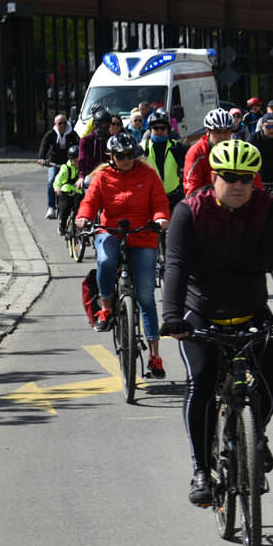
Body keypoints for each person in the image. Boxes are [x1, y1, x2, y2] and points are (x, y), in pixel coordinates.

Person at [159, 139, 273, 506]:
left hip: (250, 311)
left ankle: (255, 434)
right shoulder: (189, 211)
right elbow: (176, 267)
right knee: (202, 383)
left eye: (247, 178)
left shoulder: (267, 209)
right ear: (214, 176)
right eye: (230, 177)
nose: (239, 185)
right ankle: (201, 468)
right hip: (201, 314)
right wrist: (170, 317)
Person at [76, 132, 172, 375]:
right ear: (111, 157)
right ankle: (106, 306)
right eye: (121, 156)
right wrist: (83, 218)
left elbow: (160, 203)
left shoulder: (148, 175)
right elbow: (89, 202)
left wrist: (160, 219)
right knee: (106, 260)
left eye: (130, 155)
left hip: (143, 233)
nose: (127, 159)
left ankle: (155, 357)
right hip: (111, 231)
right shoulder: (102, 177)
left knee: (147, 297)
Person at [182, 107, 251, 197]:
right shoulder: (197, 153)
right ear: (207, 131)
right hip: (206, 203)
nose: (222, 137)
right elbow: (192, 191)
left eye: (226, 132)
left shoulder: (236, 149)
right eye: (218, 132)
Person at [140, 109, 185, 207]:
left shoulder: (176, 147)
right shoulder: (142, 148)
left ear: (168, 130)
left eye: (163, 128)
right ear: (150, 130)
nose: (159, 131)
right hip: (150, 199)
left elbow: (187, 170)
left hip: (174, 198)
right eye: (155, 128)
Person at [37, 113, 79, 219]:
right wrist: (42, 158)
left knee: (75, 182)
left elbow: (79, 146)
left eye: (65, 123)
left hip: (68, 163)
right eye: (60, 123)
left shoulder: (72, 134)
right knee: (52, 181)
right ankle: (51, 207)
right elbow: (44, 145)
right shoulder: (51, 134)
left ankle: (75, 205)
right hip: (54, 162)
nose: (63, 125)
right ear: (55, 124)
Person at [77, 109, 121, 179]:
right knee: (86, 182)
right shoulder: (86, 140)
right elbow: (82, 159)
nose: (104, 127)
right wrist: (81, 176)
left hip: (109, 172)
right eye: (102, 125)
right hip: (91, 173)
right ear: (95, 125)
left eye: (107, 124)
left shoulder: (113, 139)